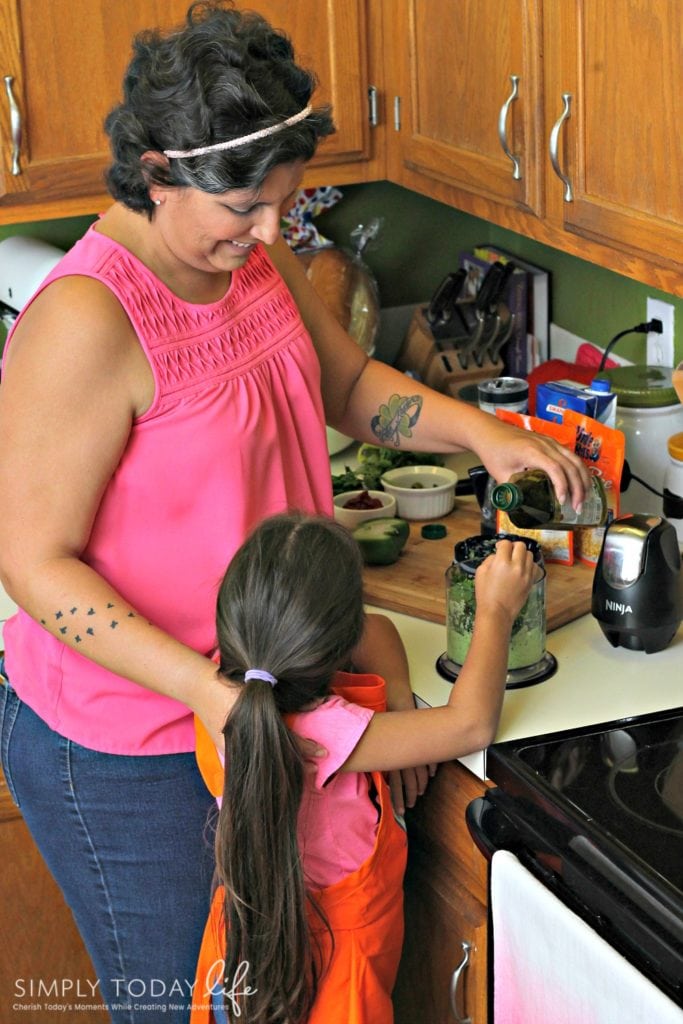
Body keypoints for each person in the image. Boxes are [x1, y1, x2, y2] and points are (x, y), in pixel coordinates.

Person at [0, 1, 589, 1020]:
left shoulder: (250, 258)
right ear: (155, 173)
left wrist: (478, 433)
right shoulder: (85, 322)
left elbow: (350, 384)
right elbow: (32, 561)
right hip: (138, 746)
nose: (271, 232)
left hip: (270, 707)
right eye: (244, 211)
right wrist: (207, 693)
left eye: (284, 203)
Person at [188, 512, 536, 1024]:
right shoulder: (329, 732)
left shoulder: (223, 688)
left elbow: (375, 629)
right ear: (339, 639)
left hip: (237, 951)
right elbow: (471, 725)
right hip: (334, 975)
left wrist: (395, 696)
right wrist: (497, 610)